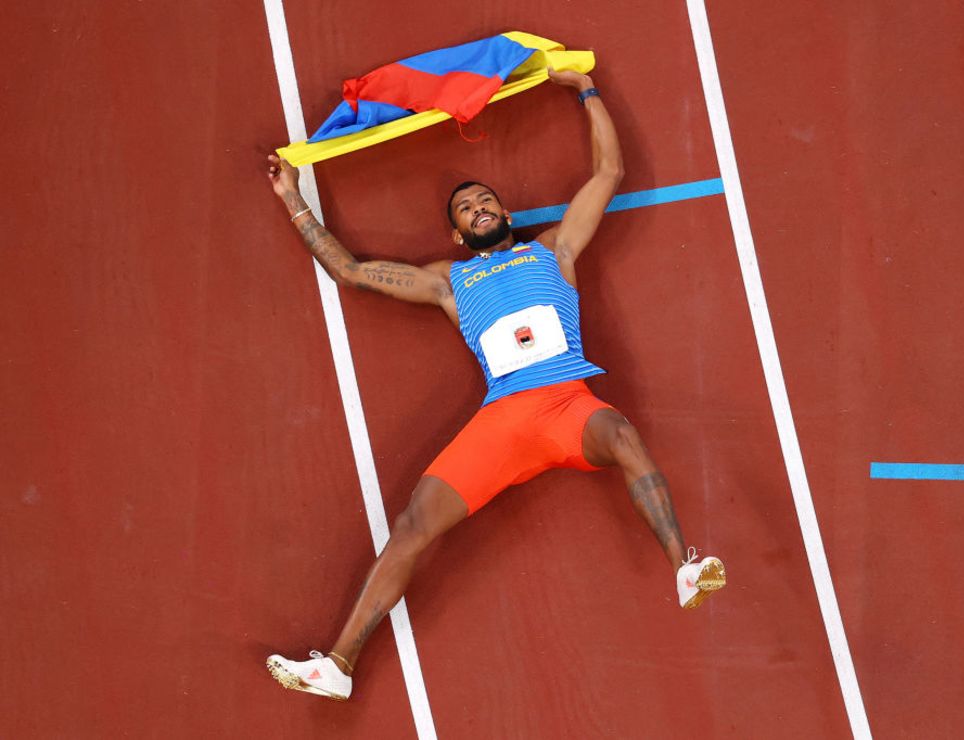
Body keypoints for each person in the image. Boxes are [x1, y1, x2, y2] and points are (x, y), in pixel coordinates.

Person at [264, 68, 725, 702]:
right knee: (414, 524)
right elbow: (349, 270)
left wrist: (582, 88)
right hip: (504, 421)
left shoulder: (555, 250)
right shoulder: (449, 283)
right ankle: (338, 665)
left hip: (568, 406)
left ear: (504, 213)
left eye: (486, 200)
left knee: (621, 431)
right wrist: (293, 197)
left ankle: (685, 566)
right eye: (465, 208)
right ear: (457, 234)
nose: (479, 207)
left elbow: (608, 174)